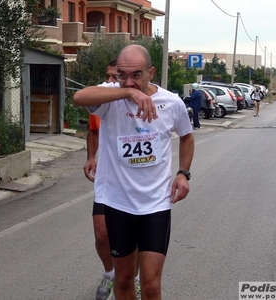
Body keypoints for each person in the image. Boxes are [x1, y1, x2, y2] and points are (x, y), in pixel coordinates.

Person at [74, 45, 194, 300]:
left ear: (151, 72)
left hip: (156, 204)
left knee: (150, 285)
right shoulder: (112, 97)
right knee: (125, 279)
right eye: (122, 75)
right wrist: (127, 92)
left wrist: (183, 172)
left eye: (136, 75)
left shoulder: (171, 102)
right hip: (119, 203)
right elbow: (79, 97)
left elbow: (186, 135)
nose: (128, 81)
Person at [84, 59, 141, 300]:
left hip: (133, 183)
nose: (109, 82)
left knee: (132, 238)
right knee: (102, 234)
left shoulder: (140, 101)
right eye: (109, 76)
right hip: (107, 182)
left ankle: (133, 277)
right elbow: (94, 130)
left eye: (113, 77)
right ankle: (110, 273)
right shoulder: (102, 98)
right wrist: (90, 157)